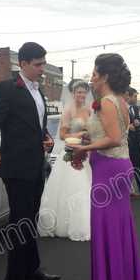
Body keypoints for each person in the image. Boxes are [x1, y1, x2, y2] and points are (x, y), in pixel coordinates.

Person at [70, 53, 140, 280]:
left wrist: (84, 149)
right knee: (116, 229)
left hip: (110, 170)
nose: (91, 78)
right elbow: (111, 133)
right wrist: (84, 139)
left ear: (104, 76)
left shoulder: (106, 102)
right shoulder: (119, 101)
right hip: (114, 168)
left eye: (94, 73)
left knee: (109, 231)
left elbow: (113, 138)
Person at [0, 42, 60, 280]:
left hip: (37, 164)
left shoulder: (40, 91)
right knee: (20, 220)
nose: (42, 69)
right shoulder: (7, 88)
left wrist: (46, 138)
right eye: (37, 64)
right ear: (23, 64)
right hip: (16, 168)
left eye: (43, 64)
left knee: (32, 218)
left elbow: (36, 126)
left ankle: (32, 268)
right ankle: (14, 278)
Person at [38, 81, 92, 241]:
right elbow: (62, 135)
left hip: (85, 151)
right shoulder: (68, 110)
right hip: (70, 152)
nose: (81, 95)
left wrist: (90, 136)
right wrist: (80, 135)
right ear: (73, 93)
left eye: (84, 92)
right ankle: (67, 224)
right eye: (79, 92)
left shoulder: (89, 110)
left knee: (87, 186)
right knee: (73, 187)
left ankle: (87, 222)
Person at [125, 87, 140, 196]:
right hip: (125, 141)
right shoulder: (121, 108)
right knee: (126, 166)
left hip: (135, 140)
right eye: (135, 96)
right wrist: (127, 126)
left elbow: (138, 120)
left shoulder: (135, 108)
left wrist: (138, 123)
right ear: (128, 96)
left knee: (137, 164)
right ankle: (127, 190)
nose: (136, 98)